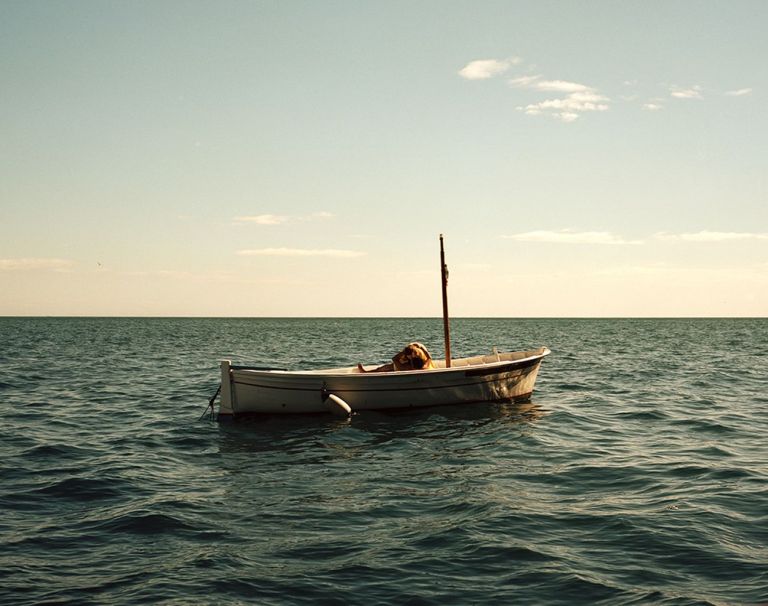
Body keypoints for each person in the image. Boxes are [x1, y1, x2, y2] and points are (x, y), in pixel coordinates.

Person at [357, 342, 436, 373]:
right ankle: (366, 372)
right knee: (386, 367)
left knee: (418, 366)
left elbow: (429, 358)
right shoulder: (406, 351)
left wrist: (424, 367)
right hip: (408, 363)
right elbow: (395, 359)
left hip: (423, 362)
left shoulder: (421, 348)